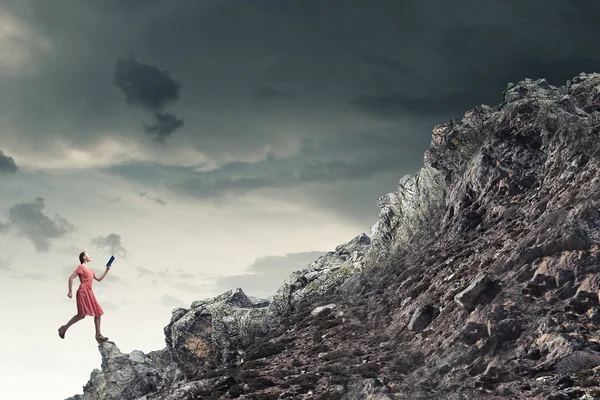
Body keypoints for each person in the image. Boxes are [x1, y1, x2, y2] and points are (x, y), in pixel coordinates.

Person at [58, 251, 111, 343]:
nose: (90, 255)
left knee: (98, 313)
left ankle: (98, 335)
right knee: (81, 315)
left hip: (90, 292)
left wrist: (106, 270)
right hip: (83, 291)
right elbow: (71, 277)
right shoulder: (81, 267)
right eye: (88, 254)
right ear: (83, 257)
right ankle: (64, 328)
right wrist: (70, 291)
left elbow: (98, 279)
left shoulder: (90, 270)